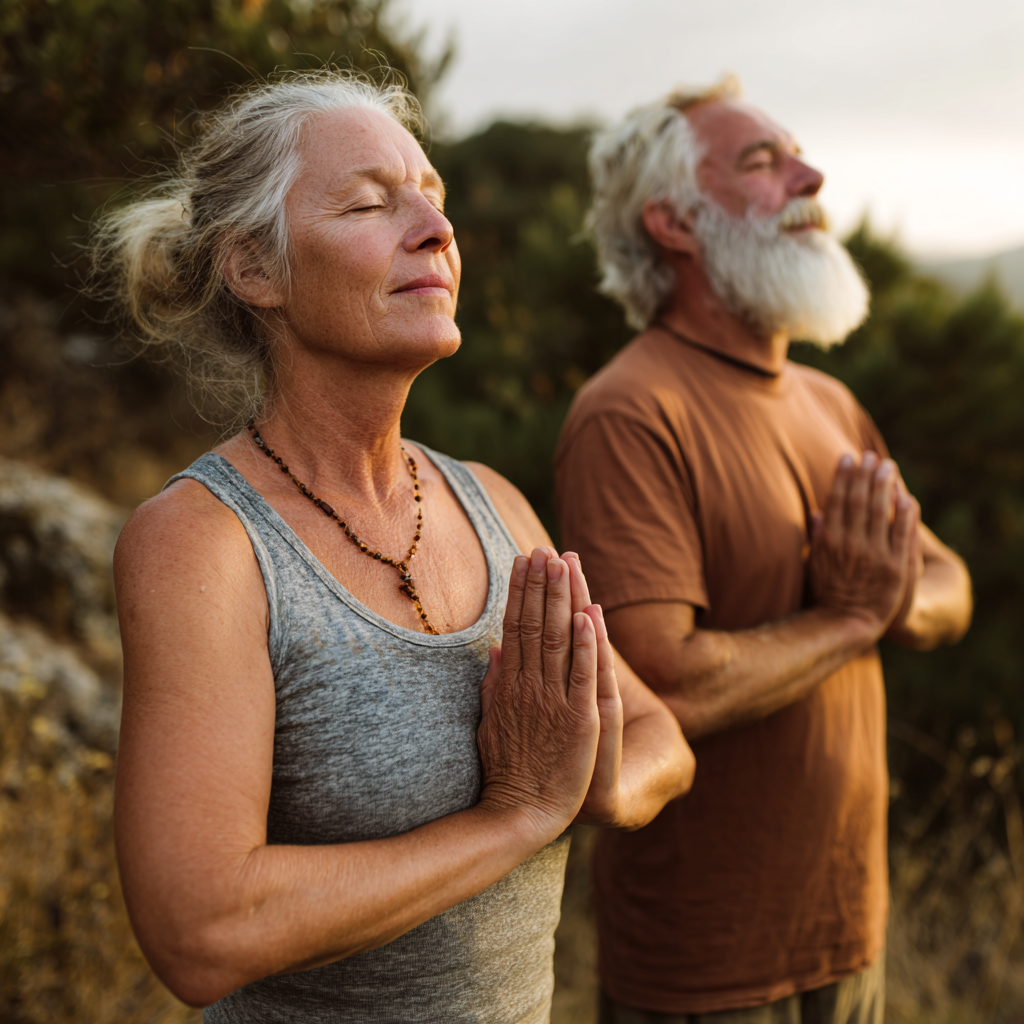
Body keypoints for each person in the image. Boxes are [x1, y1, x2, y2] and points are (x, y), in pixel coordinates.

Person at [98, 71, 694, 1022]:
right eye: (373, 203)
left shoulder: (490, 500)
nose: (436, 228)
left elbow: (662, 738)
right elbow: (200, 931)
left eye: (434, 196)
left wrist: (600, 779)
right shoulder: (202, 544)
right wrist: (518, 816)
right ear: (255, 268)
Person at [556, 77, 973, 1023]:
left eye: (796, 155)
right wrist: (852, 617)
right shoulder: (629, 412)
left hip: (853, 935)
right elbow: (668, 685)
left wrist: (890, 599)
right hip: (709, 973)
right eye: (762, 161)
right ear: (674, 222)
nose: (810, 177)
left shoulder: (827, 400)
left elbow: (950, 586)